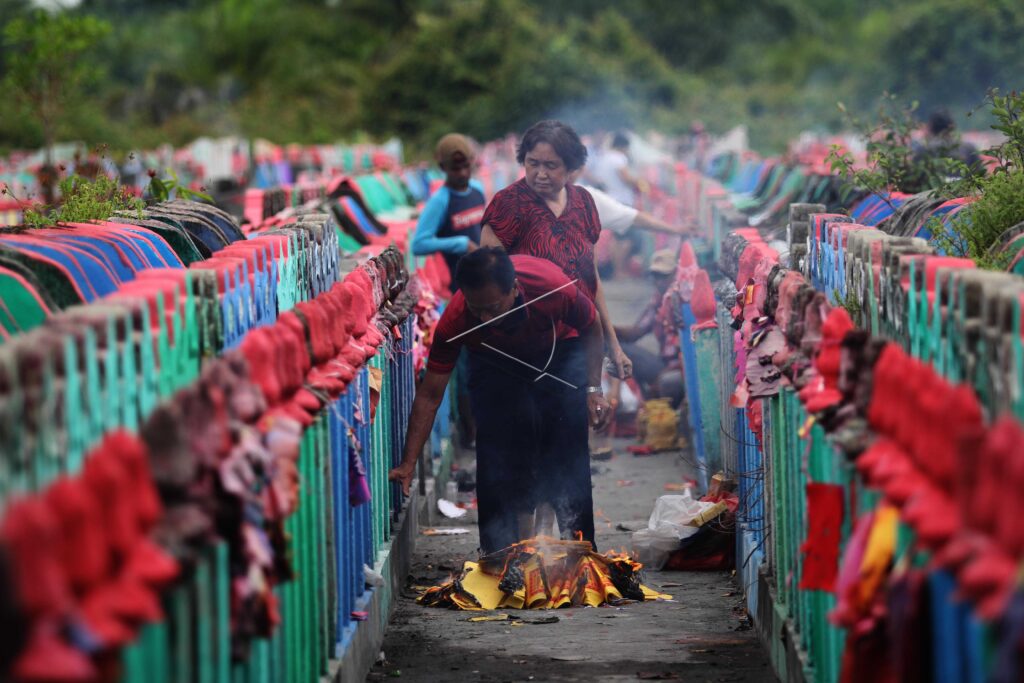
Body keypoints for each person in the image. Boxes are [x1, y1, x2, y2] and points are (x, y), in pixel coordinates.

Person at [389, 248, 611, 552]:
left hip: (557, 350)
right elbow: (430, 394)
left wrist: (592, 389)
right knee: (496, 448)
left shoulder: (549, 287)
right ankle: (498, 555)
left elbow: (592, 326)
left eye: (493, 308)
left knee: (566, 445)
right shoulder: (456, 320)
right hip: (494, 362)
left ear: (515, 288)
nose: (485, 318)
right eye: (476, 308)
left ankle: (581, 548)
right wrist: (408, 462)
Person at [479, 119, 633, 380]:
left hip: (578, 341)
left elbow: (591, 278)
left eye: (551, 165)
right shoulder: (507, 205)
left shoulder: (583, 203)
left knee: (575, 415)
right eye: (532, 163)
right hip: (522, 344)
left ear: (571, 168)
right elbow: (488, 281)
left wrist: (613, 344)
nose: (540, 173)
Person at [613, 248, 684, 408]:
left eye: (664, 276)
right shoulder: (658, 300)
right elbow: (636, 333)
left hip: (681, 368)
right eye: (656, 276)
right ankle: (643, 404)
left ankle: (668, 415)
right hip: (663, 364)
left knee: (668, 381)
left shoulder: (684, 301)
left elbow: (688, 352)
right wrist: (606, 328)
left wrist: (666, 373)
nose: (658, 281)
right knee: (618, 348)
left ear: (676, 274)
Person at [410, 133, 485, 283]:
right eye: (456, 169)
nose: (463, 173)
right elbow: (418, 244)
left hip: (482, 272)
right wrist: (460, 244)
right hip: (458, 282)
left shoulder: (478, 190)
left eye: (466, 166)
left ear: (472, 161)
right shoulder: (439, 201)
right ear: (442, 167)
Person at [588, 132, 647, 278]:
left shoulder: (604, 157)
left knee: (616, 238)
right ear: (623, 146)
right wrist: (639, 182)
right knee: (628, 238)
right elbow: (625, 177)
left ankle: (617, 270)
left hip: (609, 199)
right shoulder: (618, 158)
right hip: (621, 201)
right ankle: (620, 271)